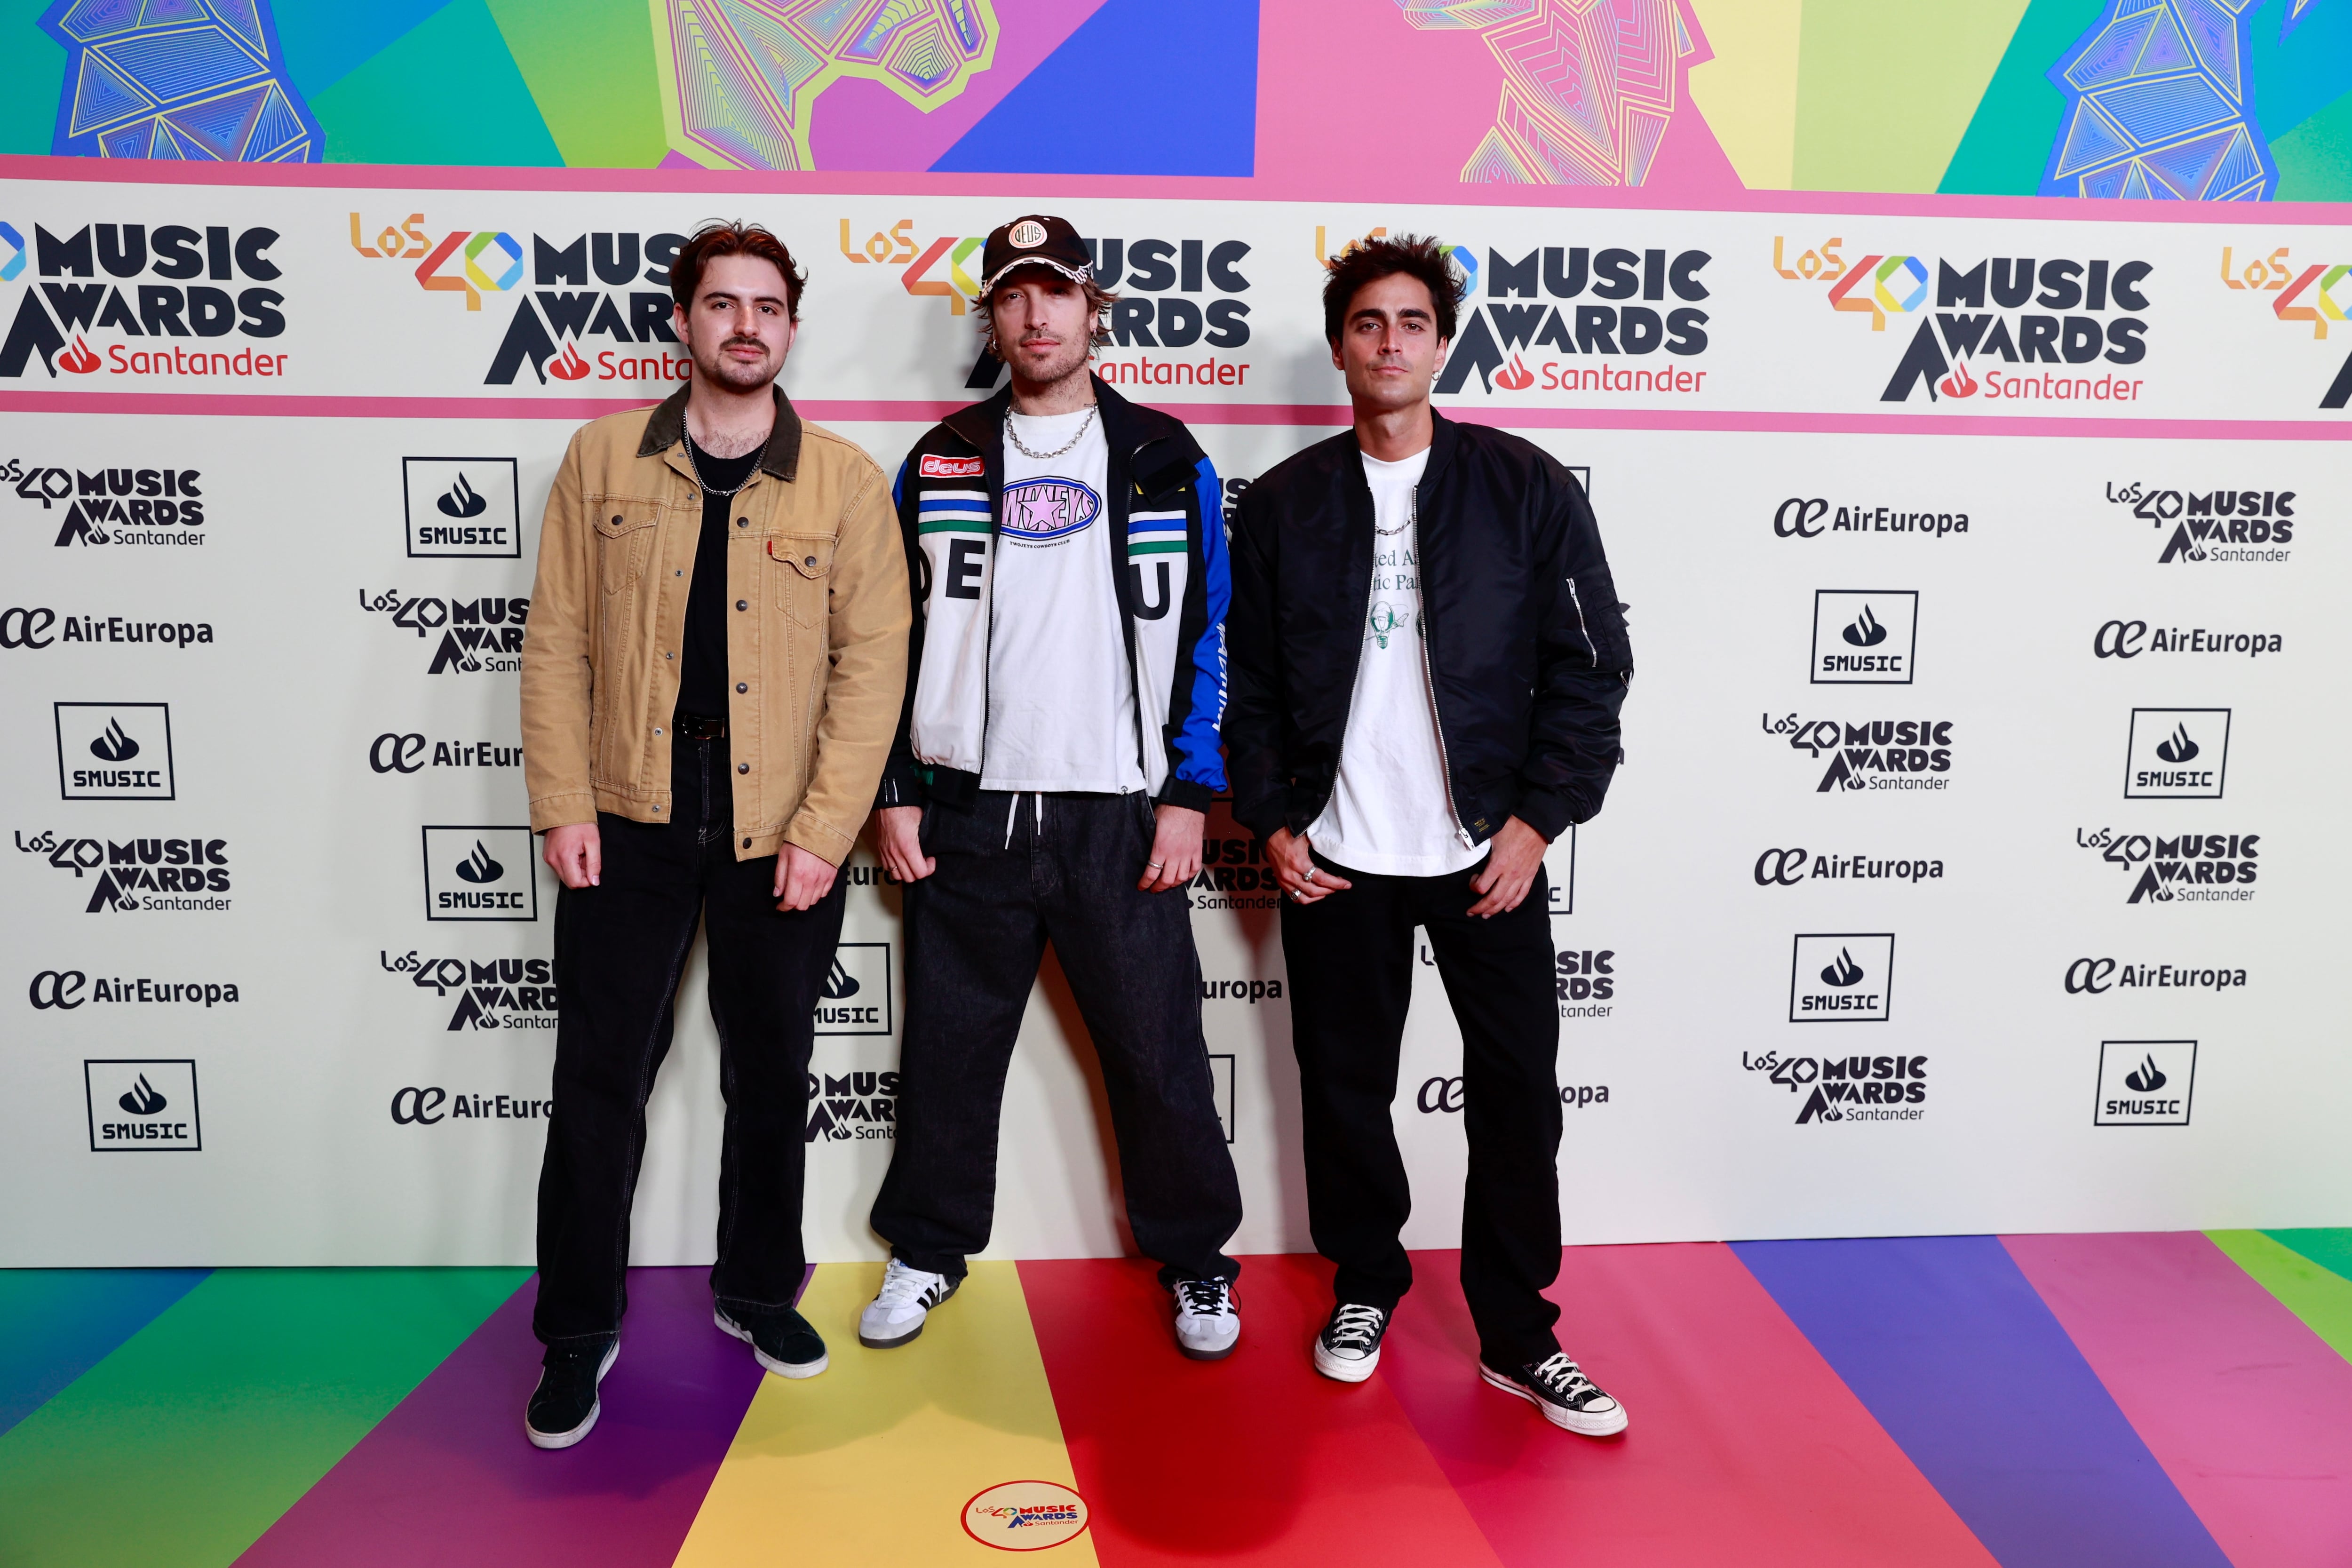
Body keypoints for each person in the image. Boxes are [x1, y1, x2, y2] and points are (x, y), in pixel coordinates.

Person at [1224, 235, 1635, 1435]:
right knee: (1346, 1089)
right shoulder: (1289, 504)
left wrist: (1538, 819)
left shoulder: (1524, 486)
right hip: (1341, 858)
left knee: (1518, 1095)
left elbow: (1592, 668)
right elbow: (1244, 680)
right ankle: (1366, 1284)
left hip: (1483, 858)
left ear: (1440, 343)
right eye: (1367, 323)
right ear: (1343, 346)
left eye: (1412, 322)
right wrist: (1274, 815)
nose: (1390, 341)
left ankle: (1518, 1331)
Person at [516, 221, 908, 1448]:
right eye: (722, 304)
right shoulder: (599, 458)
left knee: (772, 1074)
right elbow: (556, 640)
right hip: (626, 819)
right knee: (596, 1084)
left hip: (777, 830)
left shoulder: (843, 480)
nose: (746, 325)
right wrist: (564, 799)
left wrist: (823, 827)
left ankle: (755, 1290)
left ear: (792, 327)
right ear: (682, 322)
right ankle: (577, 1328)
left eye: (768, 307)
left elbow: (872, 666)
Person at [861, 214, 1244, 1360]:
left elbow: (1215, 632)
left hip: (1118, 815)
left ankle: (1200, 1265)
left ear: (1095, 308)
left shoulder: (1167, 455)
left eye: (1056, 293)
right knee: (945, 1052)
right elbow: (882, 639)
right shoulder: (939, 458)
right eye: (1014, 296)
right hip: (970, 812)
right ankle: (927, 1250)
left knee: (1161, 1055)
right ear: (992, 315)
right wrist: (895, 786)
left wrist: (1190, 790)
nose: (1035, 315)